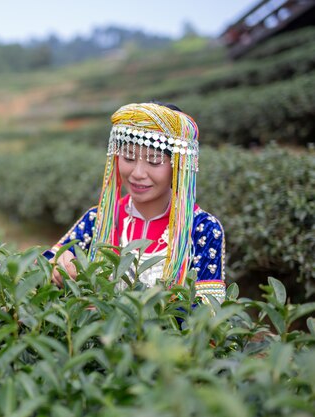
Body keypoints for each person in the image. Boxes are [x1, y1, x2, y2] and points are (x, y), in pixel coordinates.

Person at [43, 102, 226, 304]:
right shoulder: (100, 220)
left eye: (154, 161)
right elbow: (45, 264)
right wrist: (58, 263)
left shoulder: (202, 228)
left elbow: (207, 311)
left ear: (179, 166)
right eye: (128, 158)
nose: (138, 173)